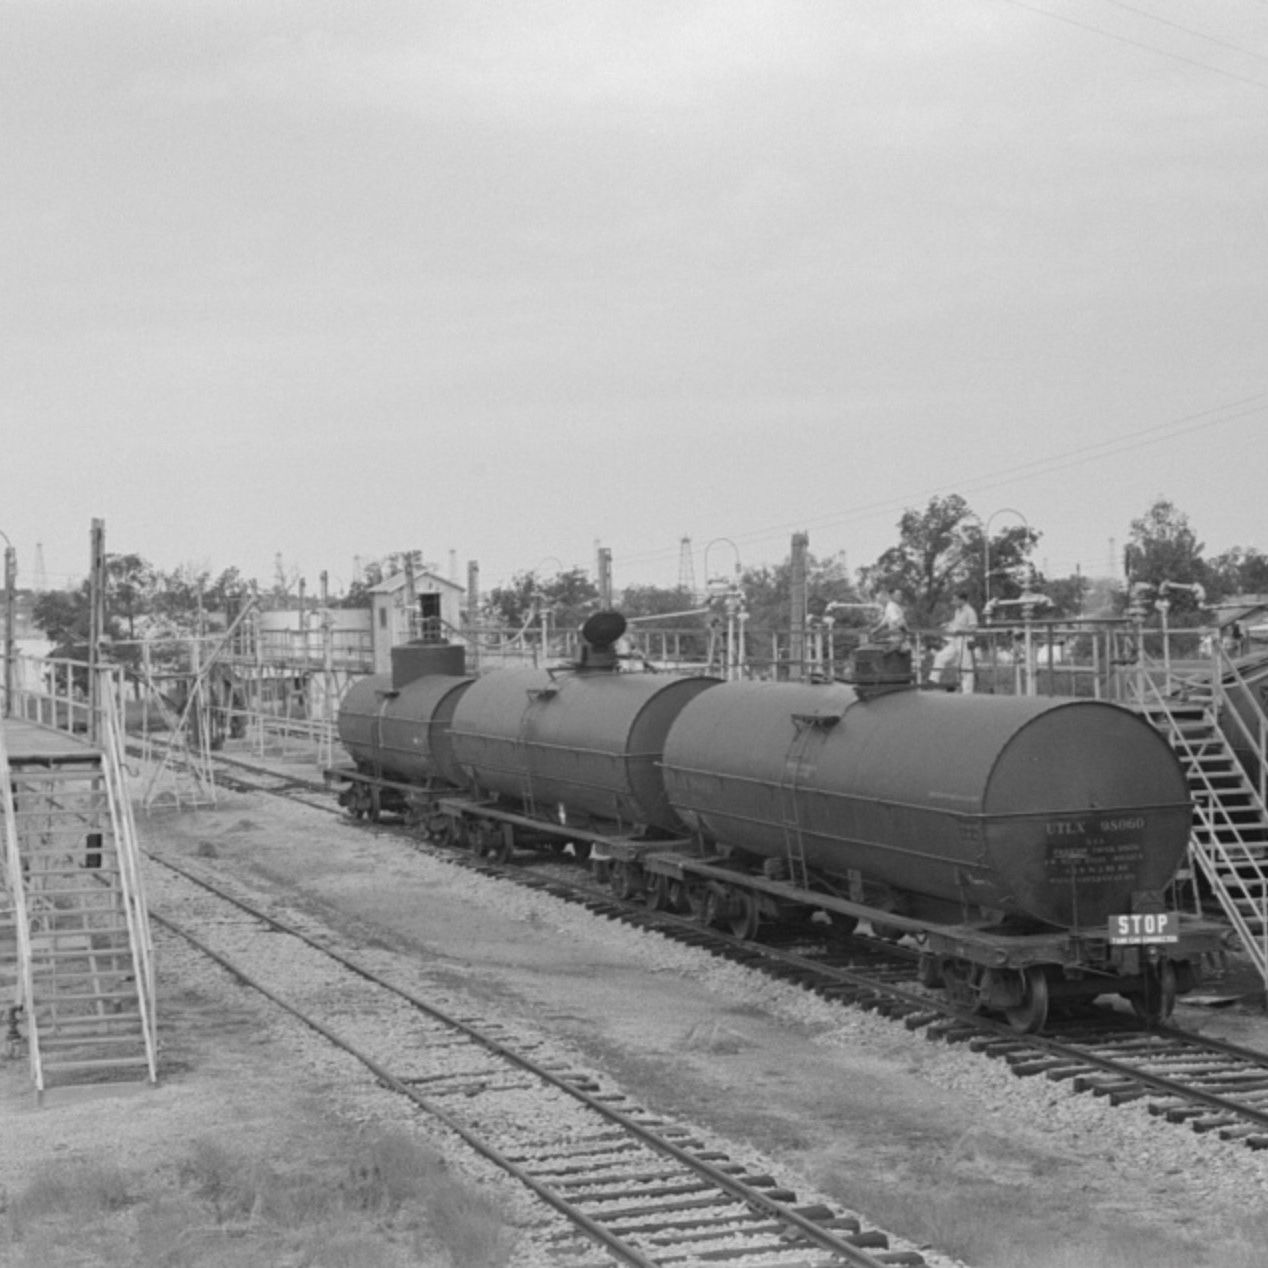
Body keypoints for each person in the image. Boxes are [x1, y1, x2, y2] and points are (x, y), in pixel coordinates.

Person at [930, 591, 979, 692]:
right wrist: (948, 624)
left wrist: (962, 631)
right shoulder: (957, 611)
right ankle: (933, 680)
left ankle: (967, 693)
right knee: (940, 656)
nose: (954, 602)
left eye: (955, 600)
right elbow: (957, 623)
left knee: (966, 667)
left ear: (962, 600)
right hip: (955, 640)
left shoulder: (970, 611)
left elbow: (974, 629)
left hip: (966, 641)